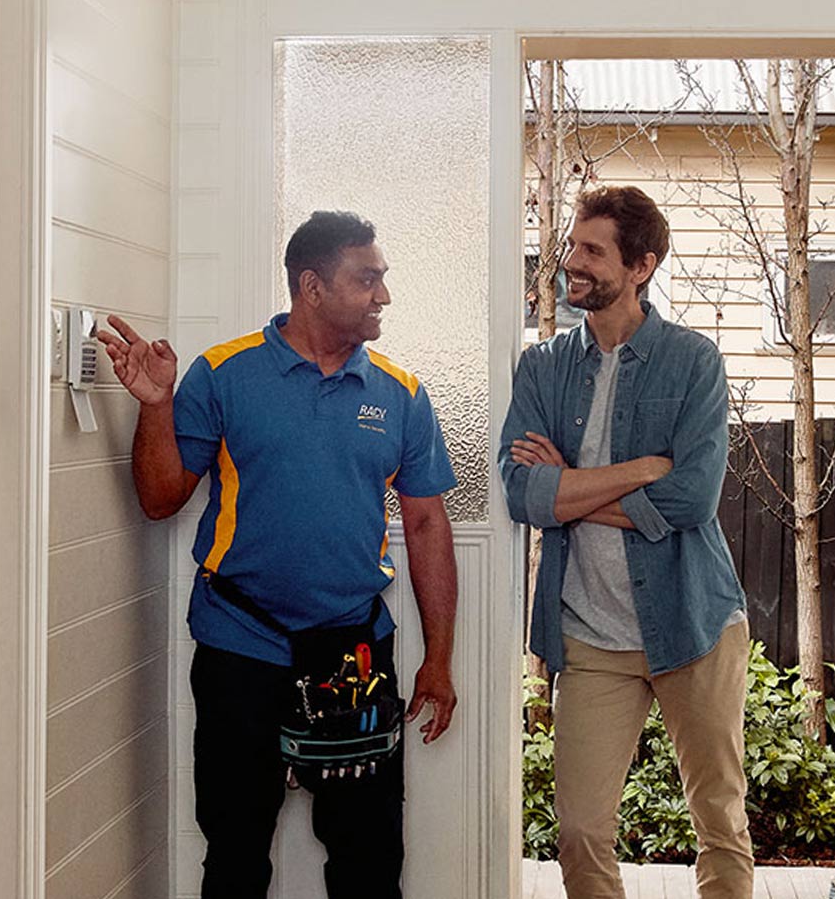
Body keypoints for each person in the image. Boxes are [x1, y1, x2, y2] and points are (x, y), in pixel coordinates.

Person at [98, 210, 459, 899]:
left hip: (353, 654)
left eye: (382, 280)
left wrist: (438, 658)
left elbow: (426, 529)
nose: (383, 296)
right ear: (312, 286)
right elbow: (161, 498)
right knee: (234, 852)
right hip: (242, 646)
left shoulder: (401, 395)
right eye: (368, 279)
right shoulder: (224, 375)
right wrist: (155, 406)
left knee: (370, 859)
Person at [498, 186, 753, 899]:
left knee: (719, 819)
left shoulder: (693, 362)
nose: (570, 261)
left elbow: (693, 498)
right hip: (589, 632)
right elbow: (523, 495)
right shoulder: (543, 368)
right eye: (572, 244)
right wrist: (639, 473)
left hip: (693, 622)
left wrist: (572, 492)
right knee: (579, 830)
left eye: (591, 250)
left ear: (640, 266)